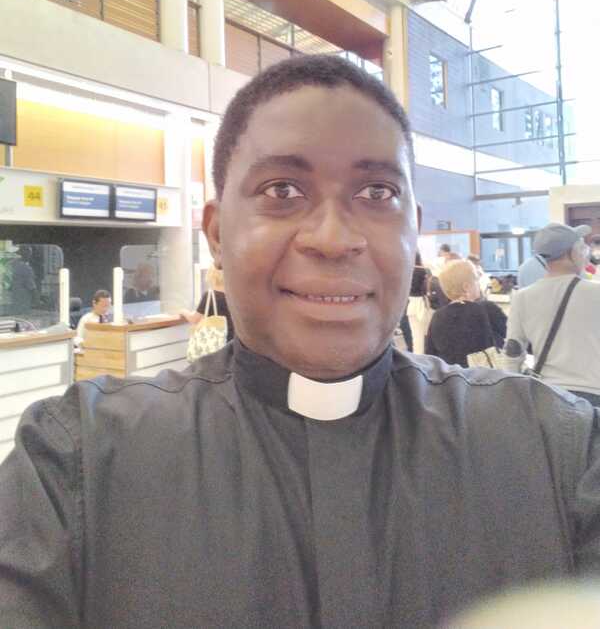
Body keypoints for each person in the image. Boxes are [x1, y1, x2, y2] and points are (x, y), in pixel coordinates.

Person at [4, 56, 600, 628]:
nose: (333, 239)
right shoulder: (76, 465)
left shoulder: (555, 448)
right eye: (282, 190)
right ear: (217, 234)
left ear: (413, 229)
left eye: (377, 193)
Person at [504, 221, 600, 406]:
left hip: (547, 397)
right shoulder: (596, 293)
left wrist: (512, 395)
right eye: (581, 247)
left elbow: (513, 352)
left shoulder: (523, 297)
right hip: (593, 394)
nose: (585, 253)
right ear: (572, 253)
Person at [424, 259, 507, 368]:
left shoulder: (437, 316)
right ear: (466, 287)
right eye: (476, 280)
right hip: (482, 374)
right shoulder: (486, 308)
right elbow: (511, 334)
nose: (479, 285)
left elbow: (430, 354)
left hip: (453, 376)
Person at [180, 263, 234, 342]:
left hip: (216, 341)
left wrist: (183, 312)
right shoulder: (233, 295)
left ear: (211, 276)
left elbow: (195, 320)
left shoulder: (210, 296)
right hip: (231, 340)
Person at [405, 251, 431, 353]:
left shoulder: (406, 270)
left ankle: (418, 356)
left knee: (416, 335)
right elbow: (426, 289)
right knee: (426, 333)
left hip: (410, 304)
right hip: (423, 304)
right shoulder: (424, 271)